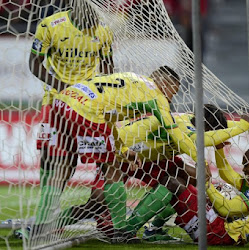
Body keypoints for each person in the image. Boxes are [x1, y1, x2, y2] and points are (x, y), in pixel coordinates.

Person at [27, 66, 201, 243]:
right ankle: (121, 232)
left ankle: (41, 226)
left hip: (62, 101)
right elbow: (175, 133)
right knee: (112, 170)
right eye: (174, 90)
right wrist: (200, 161)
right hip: (87, 110)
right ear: (165, 84)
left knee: (62, 170)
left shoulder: (132, 79)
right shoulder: (157, 97)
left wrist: (123, 150)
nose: (172, 97)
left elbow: (108, 120)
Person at [16, 0, 115, 239]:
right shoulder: (51, 25)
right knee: (56, 162)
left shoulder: (103, 31)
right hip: (57, 103)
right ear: (75, 10)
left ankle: (107, 217)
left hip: (91, 106)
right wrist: (64, 88)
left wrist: (105, 94)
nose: (93, 22)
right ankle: (46, 217)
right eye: (88, 20)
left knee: (107, 162)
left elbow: (109, 67)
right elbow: (34, 62)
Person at [161, 143, 249, 245]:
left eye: (246, 165)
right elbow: (227, 174)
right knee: (179, 182)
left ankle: (151, 230)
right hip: (221, 228)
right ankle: (154, 229)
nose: (243, 170)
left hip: (221, 234)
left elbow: (227, 209)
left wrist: (207, 184)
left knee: (172, 183)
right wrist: (219, 148)